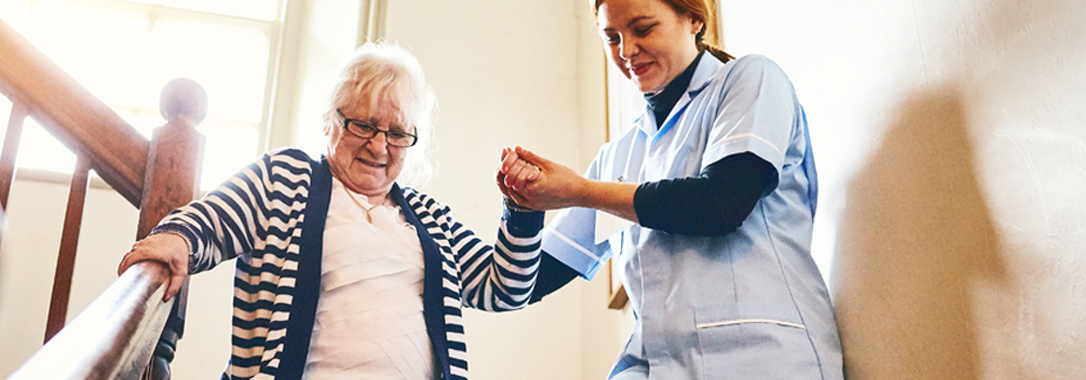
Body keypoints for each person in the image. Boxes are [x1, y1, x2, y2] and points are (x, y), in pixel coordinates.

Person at [118, 42, 547, 380]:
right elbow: (213, 220)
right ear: (330, 121)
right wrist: (177, 238)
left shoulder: (430, 217)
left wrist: (523, 210)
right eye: (364, 125)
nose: (379, 146)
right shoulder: (286, 177)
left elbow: (504, 288)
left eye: (397, 133)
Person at [496, 0, 844, 378]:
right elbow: (528, 281)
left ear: (694, 18)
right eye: (611, 38)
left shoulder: (751, 79)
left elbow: (721, 204)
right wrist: (524, 205)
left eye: (643, 29)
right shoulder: (618, 155)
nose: (626, 51)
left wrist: (579, 191)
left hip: (760, 358)